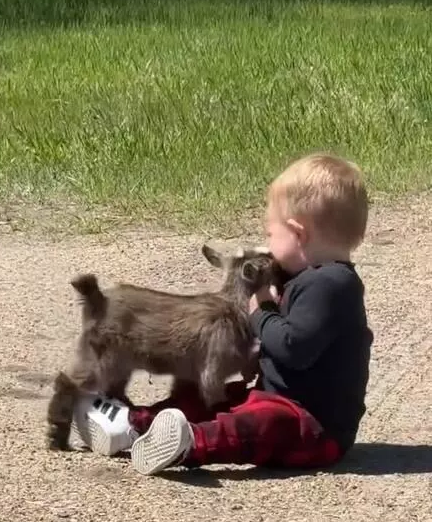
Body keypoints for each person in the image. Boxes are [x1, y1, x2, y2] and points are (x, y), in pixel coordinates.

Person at [69, 153, 373, 475]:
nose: (267, 245)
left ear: (298, 234)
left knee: (256, 423)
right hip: (278, 398)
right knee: (218, 402)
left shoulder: (331, 285)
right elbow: (302, 346)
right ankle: (134, 425)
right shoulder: (311, 279)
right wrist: (259, 357)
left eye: (271, 234)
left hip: (314, 427)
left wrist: (263, 313)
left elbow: (294, 347)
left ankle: (190, 443)